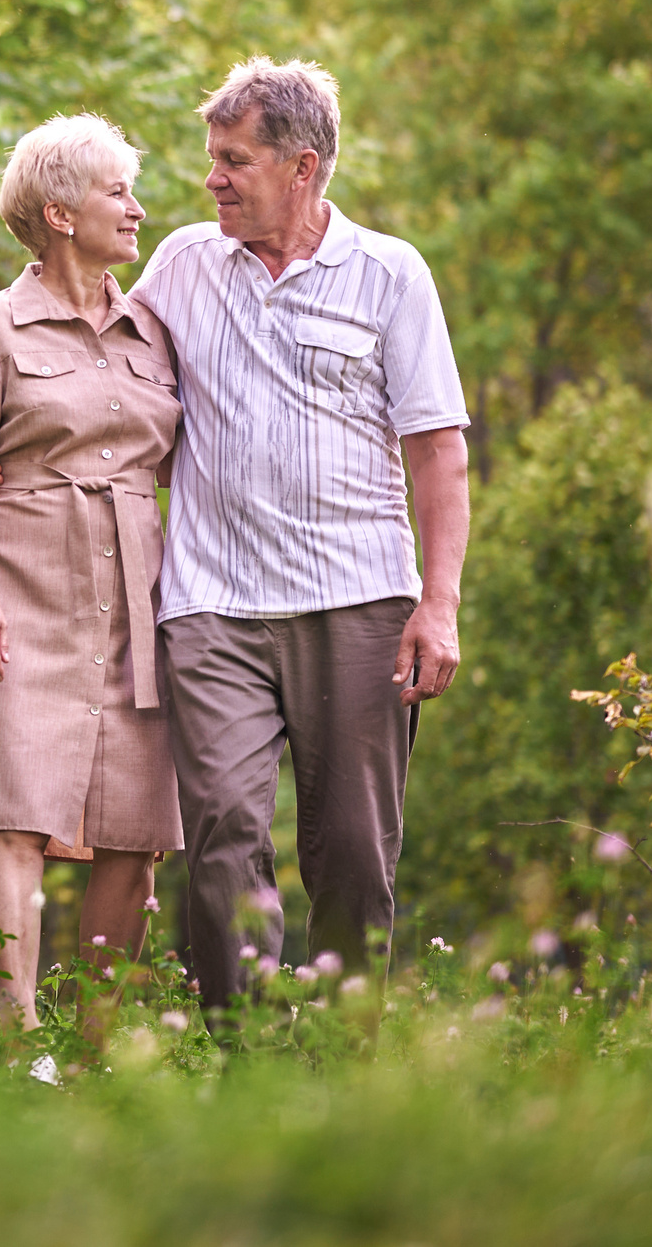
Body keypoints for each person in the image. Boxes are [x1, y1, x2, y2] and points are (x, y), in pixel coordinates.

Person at [128, 56, 471, 1015]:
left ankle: (348, 1060)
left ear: (303, 167)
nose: (212, 180)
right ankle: (246, 1062)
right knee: (224, 832)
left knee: (354, 854)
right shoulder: (182, 264)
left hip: (360, 603)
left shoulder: (389, 273)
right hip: (213, 606)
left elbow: (438, 452)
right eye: (213, 156)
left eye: (234, 159)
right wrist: (9, 449)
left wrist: (436, 607)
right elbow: (99, 372)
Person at [0, 113, 183, 1042]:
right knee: (14, 815)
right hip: (24, 584)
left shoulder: (153, 326)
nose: (138, 210)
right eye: (120, 192)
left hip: (141, 600)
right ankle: (12, 1037)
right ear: (61, 211)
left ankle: (92, 1048)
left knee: (135, 830)